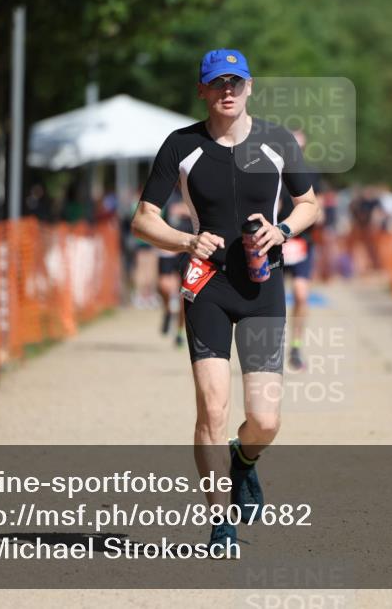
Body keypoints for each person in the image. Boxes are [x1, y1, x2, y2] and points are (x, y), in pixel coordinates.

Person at [131, 49, 319, 555]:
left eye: (235, 82)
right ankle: (220, 524)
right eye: (217, 84)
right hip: (207, 286)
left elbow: (309, 204)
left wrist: (280, 232)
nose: (227, 91)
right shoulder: (182, 145)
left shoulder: (277, 141)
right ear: (203, 91)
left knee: (266, 420)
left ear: (250, 86)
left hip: (263, 285)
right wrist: (184, 240)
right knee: (212, 407)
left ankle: (245, 462)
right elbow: (143, 218)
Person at [277, 130, 322, 370]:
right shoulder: (273, 172)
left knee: (301, 295)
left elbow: (318, 206)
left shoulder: (312, 173)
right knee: (273, 300)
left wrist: (316, 216)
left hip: (302, 243)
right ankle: (270, 348)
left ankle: (295, 347)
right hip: (276, 242)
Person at [157, 195, 194, 346]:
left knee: (184, 295)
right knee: (163, 286)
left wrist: (188, 211)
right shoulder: (169, 194)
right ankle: (168, 310)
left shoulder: (199, 190)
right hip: (169, 248)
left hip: (190, 250)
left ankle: (179, 332)